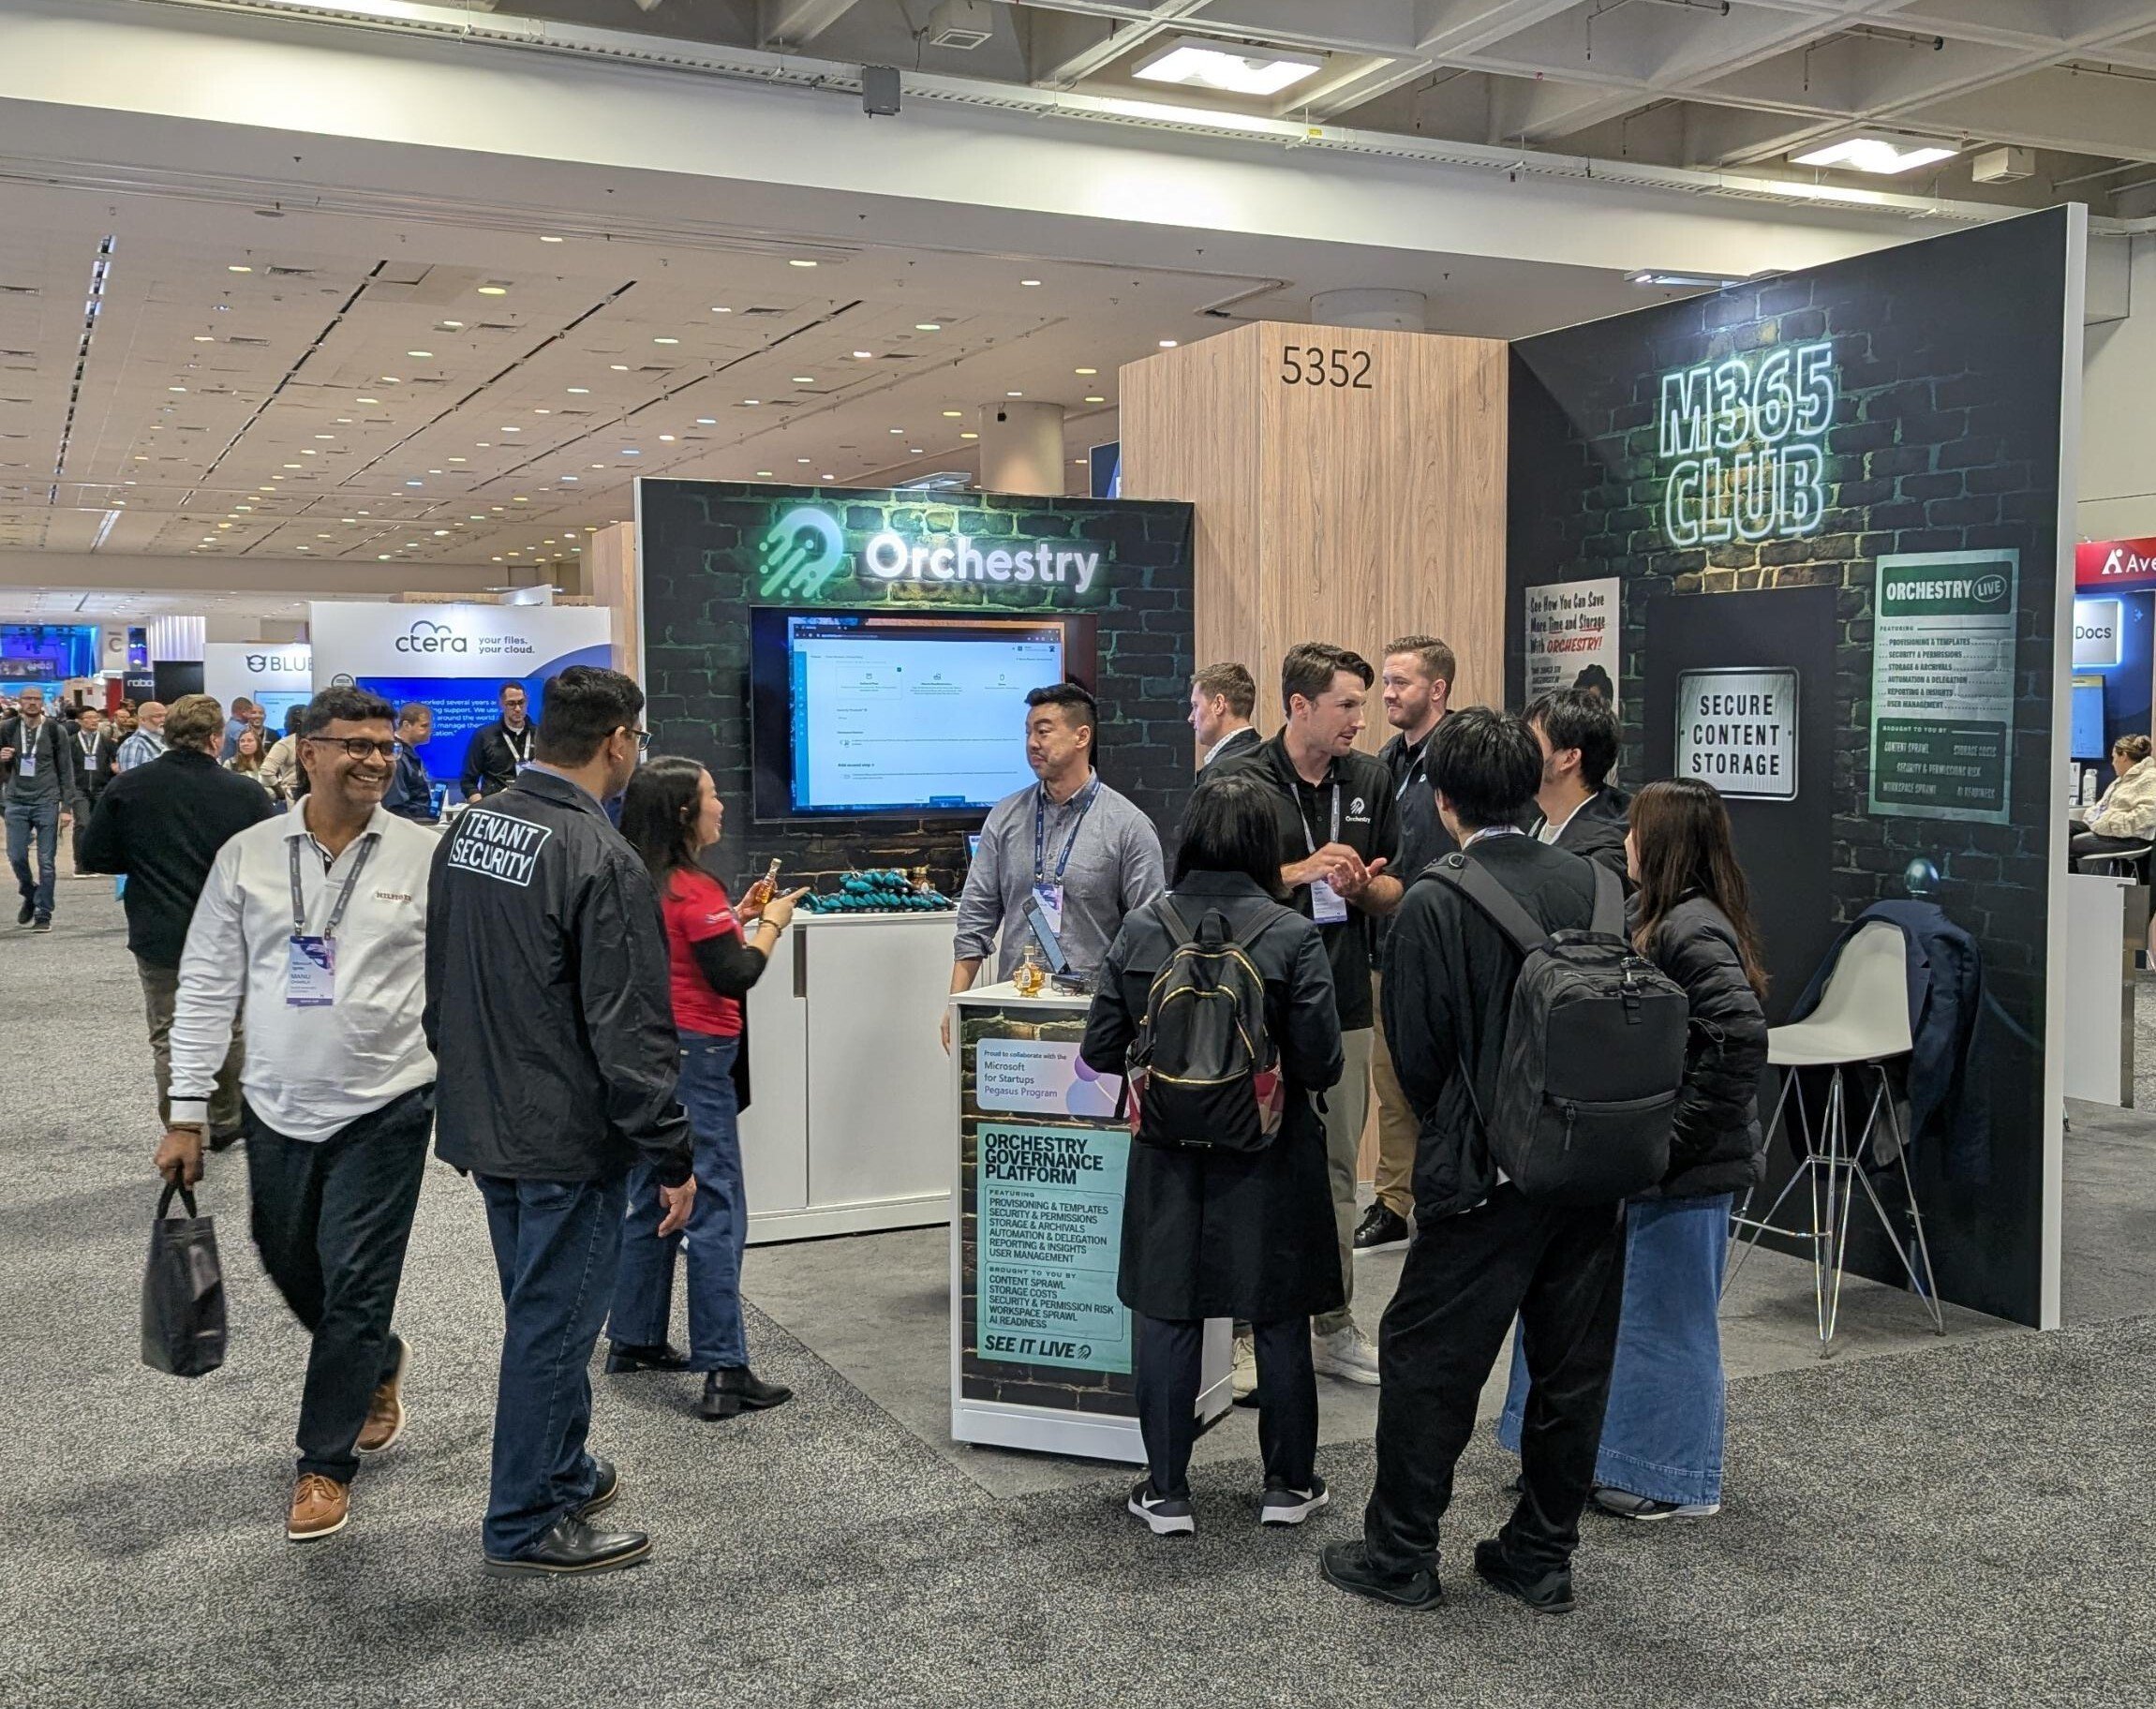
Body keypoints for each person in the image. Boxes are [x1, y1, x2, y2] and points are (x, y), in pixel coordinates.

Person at [1320, 706, 1614, 1616]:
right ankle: (1541, 1556)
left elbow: (1415, 1058)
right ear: (1530, 788)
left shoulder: (1435, 900)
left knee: (1428, 1362)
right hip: (1592, 1166)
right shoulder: (1601, 886)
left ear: (1442, 800)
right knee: (1570, 1369)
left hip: (1484, 1176)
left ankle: (1401, 1553)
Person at [425, 664, 696, 1578]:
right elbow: (630, 1032)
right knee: (553, 1326)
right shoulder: (600, 856)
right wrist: (670, 1152)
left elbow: (440, 980)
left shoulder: (471, 828)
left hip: (489, 1117)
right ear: (617, 741)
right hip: (565, 1139)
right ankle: (525, 1517)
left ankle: (562, 1468)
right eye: (637, 740)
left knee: (543, 1310)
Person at [153, 687, 438, 1544]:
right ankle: (377, 1359)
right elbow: (207, 985)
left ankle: (323, 1462)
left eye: (384, 746)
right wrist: (187, 1112)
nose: (374, 760)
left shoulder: (424, 855)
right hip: (277, 1104)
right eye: (355, 745)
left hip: (388, 1101)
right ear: (307, 752)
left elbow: (464, 981)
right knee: (284, 1259)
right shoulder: (247, 856)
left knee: (355, 1280)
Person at [1493, 777, 1768, 1522]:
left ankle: (1666, 1479)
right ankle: (1609, 1461)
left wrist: (1671, 1143)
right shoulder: (1665, 916)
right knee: (1628, 1315)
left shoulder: (1690, 927)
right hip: (1656, 1167)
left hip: (1685, 1173)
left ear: (1663, 841)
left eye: (1636, 830)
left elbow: (1739, 1036)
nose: (1625, 842)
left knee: (1663, 1324)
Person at [1080, 774, 1344, 1536]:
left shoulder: (1141, 930)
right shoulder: (1292, 935)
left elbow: (1099, 1049)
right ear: (1267, 844)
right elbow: (1322, 1064)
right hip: (1271, 1154)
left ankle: (1166, 1493)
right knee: (1279, 1315)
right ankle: (1287, 1487)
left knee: (1167, 1312)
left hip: (1167, 1155)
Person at [1206, 643, 1400, 1388]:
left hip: (1341, 1001)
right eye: (1346, 705)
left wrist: (1360, 889)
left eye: (1361, 705)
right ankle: (1244, 1331)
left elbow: (1395, 888)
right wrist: (1297, 872)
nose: (1359, 719)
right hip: (1251, 1007)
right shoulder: (1238, 780)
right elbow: (1207, 891)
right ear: (1298, 705)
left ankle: (1332, 1322)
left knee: (1336, 1172)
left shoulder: (1370, 779)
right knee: (1247, 1166)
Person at [606, 756, 809, 1418]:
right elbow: (735, 974)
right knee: (715, 1203)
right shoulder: (694, 889)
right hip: (699, 1057)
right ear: (684, 813)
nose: (722, 806)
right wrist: (771, 924)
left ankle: (635, 1337)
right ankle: (725, 1367)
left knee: (652, 1190)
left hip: (650, 1053)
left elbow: (692, 951)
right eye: (712, 795)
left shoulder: (638, 880)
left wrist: (735, 915)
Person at [81, 695, 275, 1147]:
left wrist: (143, 859)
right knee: (230, 1027)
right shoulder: (245, 793)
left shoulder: (128, 787)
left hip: (158, 928)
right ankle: (226, 1121)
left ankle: (182, 1129)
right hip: (229, 930)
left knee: (169, 1034)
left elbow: (94, 855)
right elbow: (271, 863)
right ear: (216, 738)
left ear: (166, 734)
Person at [943, 682, 1166, 1050]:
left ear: (1082, 736)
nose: (1032, 743)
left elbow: (1149, 934)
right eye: (1028, 732)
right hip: (1012, 1012)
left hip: (1093, 1019)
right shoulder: (1005, 818)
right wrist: (956, 1005)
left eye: (1043, 731)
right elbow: (975, 918)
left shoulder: (1128, 826)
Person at [1358, 635, 1460, 1259]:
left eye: (1401, 683)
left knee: (1444, 1083)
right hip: (1383, 946)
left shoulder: (1460, 759)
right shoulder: (1385, 761)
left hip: (1443, 950)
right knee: (1391, 1084)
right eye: (1386, 683)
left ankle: (1447, 1198)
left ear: (1437, 689)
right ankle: (1394, 1204)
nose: (1388, 694)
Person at [1524, 689, 1629, 883]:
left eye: (1531, 744)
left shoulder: (1601, 860)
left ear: (1569, 758)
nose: (1519, 752)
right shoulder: (1542, 822)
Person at [3, 687, 76, 930]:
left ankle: (44, 912)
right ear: (20, 702)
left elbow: (66, 769)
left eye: (36, 699)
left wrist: (67, 806)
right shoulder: (7, 728)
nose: (32, 703)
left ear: (43, 702)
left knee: (46, 860)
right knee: (16, 855)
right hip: (16, 800)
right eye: (28, 699)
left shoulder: (56, 730)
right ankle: (30, 891)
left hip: (46, 800)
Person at [2071, 735, 2156, 869]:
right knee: (2060, 829)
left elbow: (2147, 815)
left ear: (2124, 756)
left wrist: (2109, 823)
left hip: (2130, 838)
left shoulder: (2149, 778)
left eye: (2114, 757)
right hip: (2103, 827)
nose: (2112, 763)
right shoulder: (2123, 779)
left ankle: (2064, 882)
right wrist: (2095, 818)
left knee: (2064, 845)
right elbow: (2103, 807)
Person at [461, 681, 536, 803]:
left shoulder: (540, 735)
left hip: (532, 805)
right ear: (501, 704)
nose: (518, 709)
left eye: (521, 702)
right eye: (511, 704)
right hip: (495, 806)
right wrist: (481, 807)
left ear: (526, 702)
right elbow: (468, 781)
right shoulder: (484, 735)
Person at [68, 706, 119, 871]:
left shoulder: (107, 742)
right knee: (83, 824)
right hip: (78, 787)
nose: (94, 721)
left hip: (101, 787)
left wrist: (114, 767)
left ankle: (99, 860)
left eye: (96, 717)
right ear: (80, 721)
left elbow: (115, 760)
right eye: (89, 718)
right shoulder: (71, 742)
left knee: (101, 824)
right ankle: (81, 863)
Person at [1188, 662, 1260, 771]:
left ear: (1218, 704)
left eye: (1195, 706)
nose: (1191, 718)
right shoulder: (1264, 758)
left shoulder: (1225, 771)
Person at [382, 704, 438, 824]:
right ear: (407, 725)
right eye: (424, 726)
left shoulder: (408, 753)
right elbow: (394, 805)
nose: (430, 731)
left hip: (416, 820)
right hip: (405, 823)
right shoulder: (396, 755)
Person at [263, 706, 307, 804]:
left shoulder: (286, 743)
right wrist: (281, 794)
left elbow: (266, 771)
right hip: (295, 796)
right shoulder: (286, 743)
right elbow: (266, 771)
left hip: (307, 794)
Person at [115, 700, 167, 772]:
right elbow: (131, 778)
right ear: (143, 720)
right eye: (158, 716)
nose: (164, 720)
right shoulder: (134, 745)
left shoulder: (165, 741)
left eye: (166, 716)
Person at [225, 726, 274, 792]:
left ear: (258, 743)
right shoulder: (230, 764)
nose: (245, 744)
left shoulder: (268, 762)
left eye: (250, 740)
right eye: (242, 741)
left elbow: (276, 790)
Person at [219, 696, 260, 762]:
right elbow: (247, 752)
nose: (251, 716)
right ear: (244, 712)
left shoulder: (226, 726)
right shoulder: (241, 729)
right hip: (238, 766)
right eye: (251, 713)